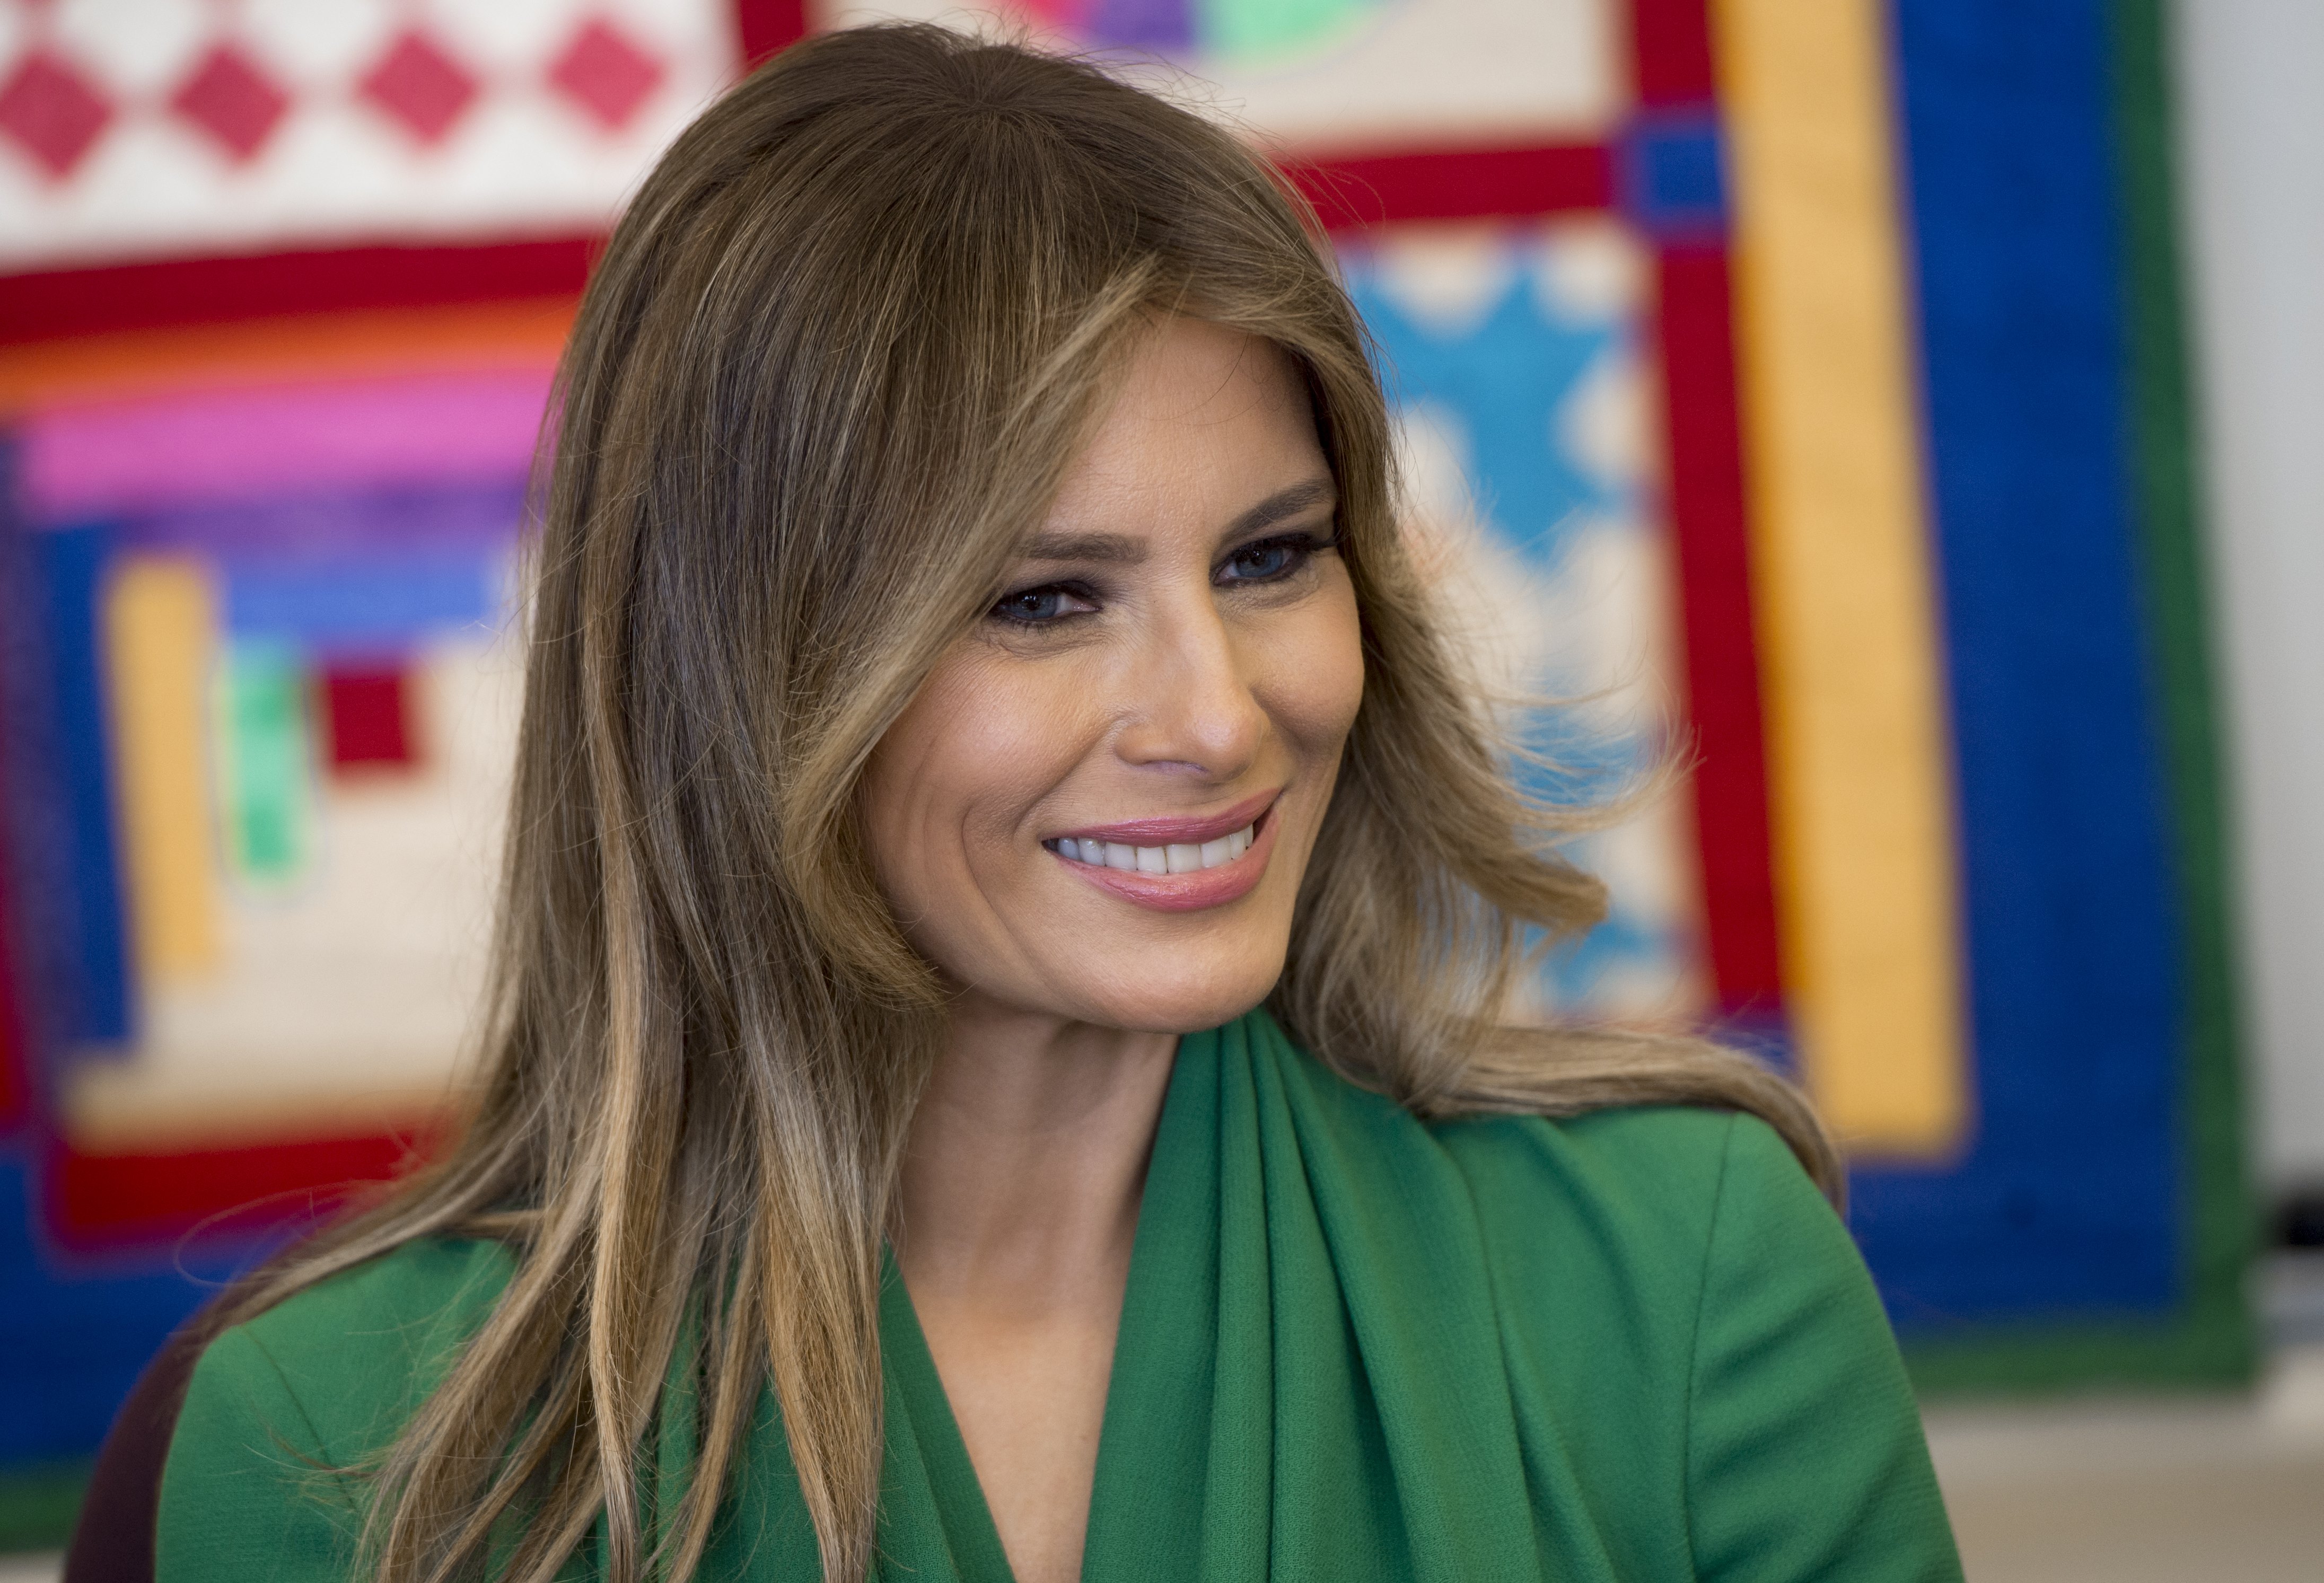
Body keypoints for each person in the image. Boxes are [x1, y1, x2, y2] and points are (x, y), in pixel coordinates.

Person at [102, 23, 1961, 1583]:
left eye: (1270, 557)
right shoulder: (332, 1450)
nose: (1221, 715)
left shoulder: (1687, 1278)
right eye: (1042, 599)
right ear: (742, 676)